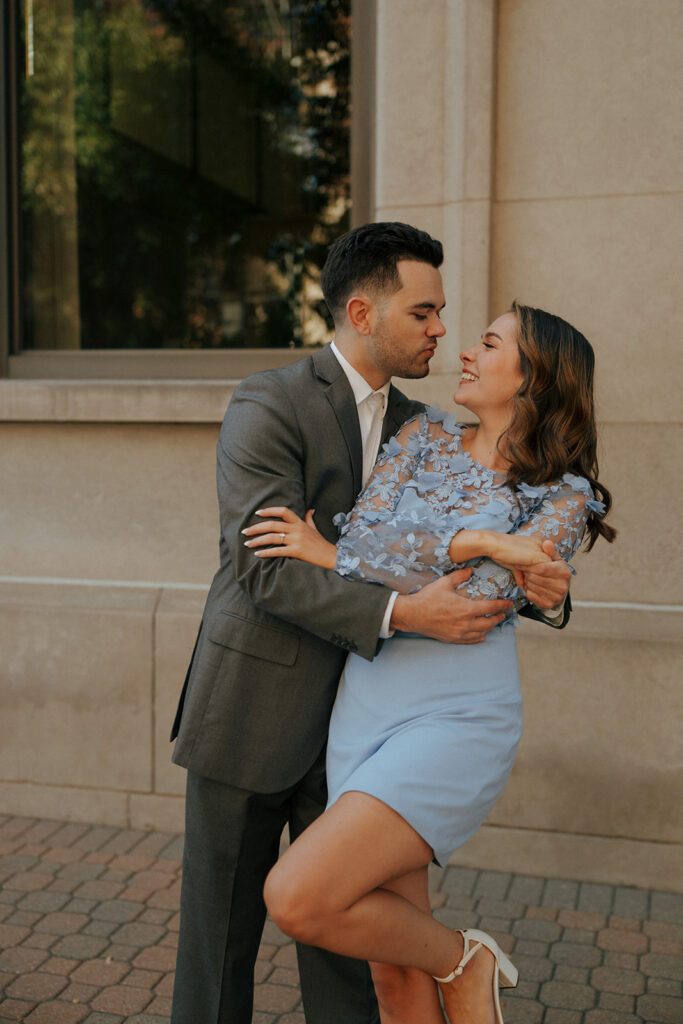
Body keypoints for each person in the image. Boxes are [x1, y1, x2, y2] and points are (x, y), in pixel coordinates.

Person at [169, 223, 572, 1024]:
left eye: (444, 314)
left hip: (365, 728)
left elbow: (502, 517)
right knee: (218, 950)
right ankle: (464, 961)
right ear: (362, 311)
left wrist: (539, 585)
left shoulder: (423, 428)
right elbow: (262, 565)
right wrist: (402, 609)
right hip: (253, 706)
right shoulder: (269, 400)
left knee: (351, 966)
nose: (440, 332)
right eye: (423, 313)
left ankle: (456, 969)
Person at [244, 299, 616, 1023]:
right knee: (392, 979)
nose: (465, 352)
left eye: (487, 343)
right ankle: (454, 965)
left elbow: (467, 604)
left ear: (532, 376)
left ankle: (464, 959)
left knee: (297, 895)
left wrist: (462, 549)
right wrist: (484, 540)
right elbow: (363, 534)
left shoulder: (564, 496)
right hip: (367, 705)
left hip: (457, 716)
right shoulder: (422, 433)